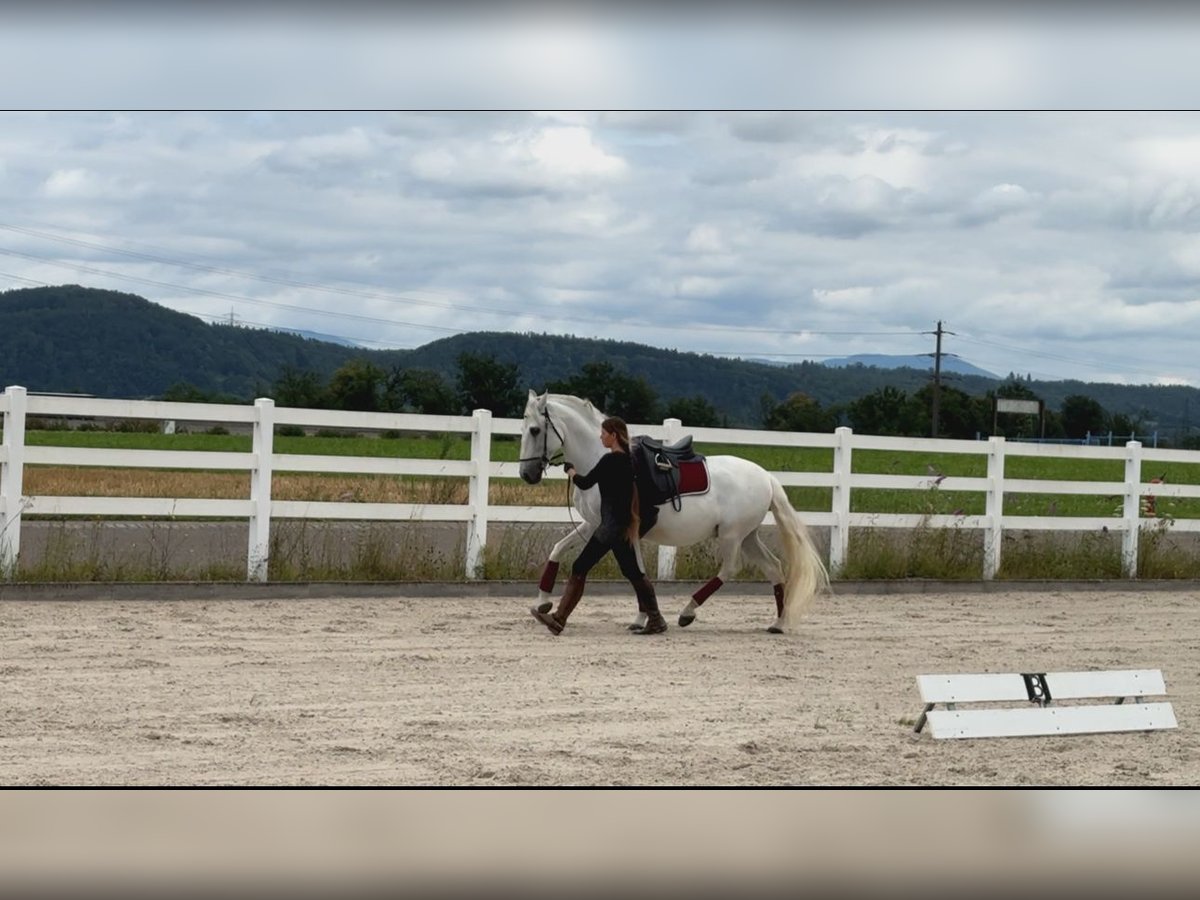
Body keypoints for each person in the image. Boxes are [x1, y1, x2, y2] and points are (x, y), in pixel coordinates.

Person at [531, 416, 667, 636]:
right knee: (634, 574)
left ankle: (559, 620)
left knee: (579, 567)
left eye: (603, 433)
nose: (600, 436)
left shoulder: (609, 461)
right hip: (623, 527)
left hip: (609, 530)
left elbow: (585, 483)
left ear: (613, 436)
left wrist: (571, 472)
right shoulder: (630, 460)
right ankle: (656, 619)